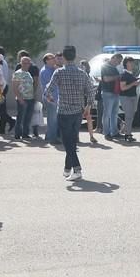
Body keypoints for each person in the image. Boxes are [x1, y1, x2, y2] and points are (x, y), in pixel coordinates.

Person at [44, 45, 95, 181]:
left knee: (68, 142)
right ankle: (67, 168)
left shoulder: (59, 72)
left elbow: (48, 90)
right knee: (71, 141)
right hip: (78, 112)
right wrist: (88, 106)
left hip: (64, 111)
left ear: (64, 57)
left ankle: (77, 169)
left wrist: (50, 98)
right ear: (74, 56)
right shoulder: (82, 73)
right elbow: (91, 91)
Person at [0, 47, 15, 135]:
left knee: (1, 109)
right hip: (2, 87)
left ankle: (11, 121)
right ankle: (2, 128)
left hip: (1, 88)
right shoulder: (2, 62)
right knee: (2, 108)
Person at [100, 53, 123, 141]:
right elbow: (105, 79)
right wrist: (118, 76)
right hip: (107, 93)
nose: (119, 63)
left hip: (115, 92)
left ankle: (115, 132)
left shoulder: (114, 68)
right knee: (107, 114)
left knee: (114, 114)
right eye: (118, 61)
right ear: (113, 58)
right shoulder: (105, 66)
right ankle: (106, 133)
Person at [119, 57, 140, 142]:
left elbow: (132, 85)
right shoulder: (124, 74)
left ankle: (125, 129)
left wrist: (138, 83)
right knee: (129, 116)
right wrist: (134, 83)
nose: (132, 64)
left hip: (133, 96)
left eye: (132, 62)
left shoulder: (131, 74)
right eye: (130, 62)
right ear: (126, 64)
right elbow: (123, 88)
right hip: (126, 97)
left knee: (131, 116)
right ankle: (128, 134)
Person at [12, 56, 36, 140]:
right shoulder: (18, 73)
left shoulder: (28, 73)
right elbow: (15, 87)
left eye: (28, 63)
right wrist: (19, 98)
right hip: (22, 99)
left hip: (30, 98)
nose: (26, 65)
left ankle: (25, 133)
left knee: (28, 117)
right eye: (24, 63)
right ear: (21, 63)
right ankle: (17, 134)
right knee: (20, 117)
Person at [40, 53, 60, 144]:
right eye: (52, 58)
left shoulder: (53, 69)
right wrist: (51, 98)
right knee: (53, 119)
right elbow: (50, 85)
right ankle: (53, 138)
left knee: (51, 118)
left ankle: (49, 136)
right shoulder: (46, 71)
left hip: (54, 97)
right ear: (47, 60)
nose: (54, 59)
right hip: (50, 97)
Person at [79, 59, 98, 144]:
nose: (83, 67)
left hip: (86, 99)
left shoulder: (88, 76)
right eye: (82, 65)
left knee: (88, 117)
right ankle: (77, 137)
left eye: (84, 65)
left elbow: (90, 88)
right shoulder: (79, 74)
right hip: (80, 98)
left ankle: (91, 136)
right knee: (79, 118)